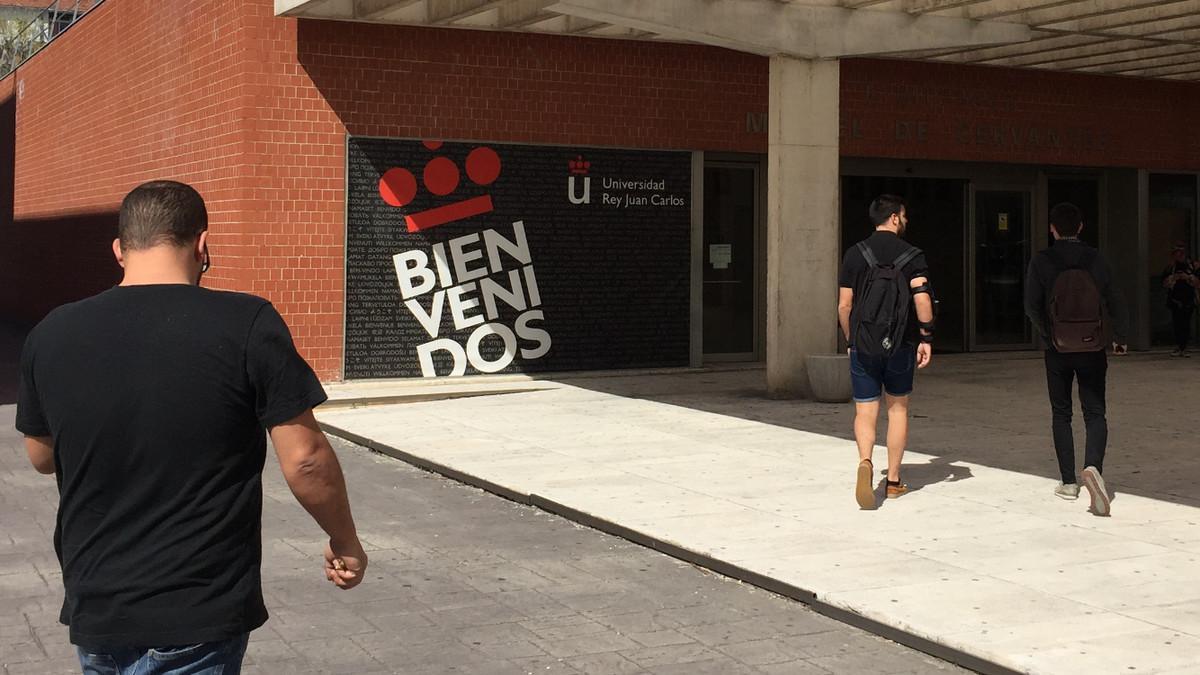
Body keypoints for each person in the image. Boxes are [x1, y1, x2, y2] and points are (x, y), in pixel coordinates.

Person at [16, 181, 367, 674]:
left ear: (119, 249)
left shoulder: (52, 332)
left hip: (98, 606)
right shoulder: (247, 322)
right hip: (198, 612)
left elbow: (41, 457)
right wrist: (344, 539)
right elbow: (306, 458)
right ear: (203, 245)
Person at [1024, 202, 1128, 517]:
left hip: (1057, 350)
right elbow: (1115, 298)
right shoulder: (1096, 259)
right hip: (1093, 346)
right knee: (1095, 412)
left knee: (1062, 413)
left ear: (1052, 229)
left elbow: (1031, 305)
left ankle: (1069, 483)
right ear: (1081, 227)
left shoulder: (1042, 261)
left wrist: (1049, 335)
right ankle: (1093, 467)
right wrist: (1120, 337)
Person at [838, 194, 936, 510]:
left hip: (864, 344)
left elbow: (844, 305)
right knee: (897, 409)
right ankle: (893, 481)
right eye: (903, 216)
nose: (905, 221)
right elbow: (922, 300)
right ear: (894, 217)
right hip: (901, 343)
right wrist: (926, 337)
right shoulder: (913, 255)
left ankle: (866, 461)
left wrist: (852, 340)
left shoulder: (855, 254)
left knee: (865, 410)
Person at [1162, 242, 1198, 357]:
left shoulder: (1193, 266)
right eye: (1177, 253)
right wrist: (1173, 278)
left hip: (1189, 299)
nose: (1180, 255)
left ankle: (1184, 346)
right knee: (1177, 324)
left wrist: (1188, 278)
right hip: (1175, 300)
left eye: (1182, 253)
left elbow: (1198, 283)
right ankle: (1179, 345)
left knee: (1186, 323)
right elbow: (1164, 283)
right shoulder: (1170, 268)